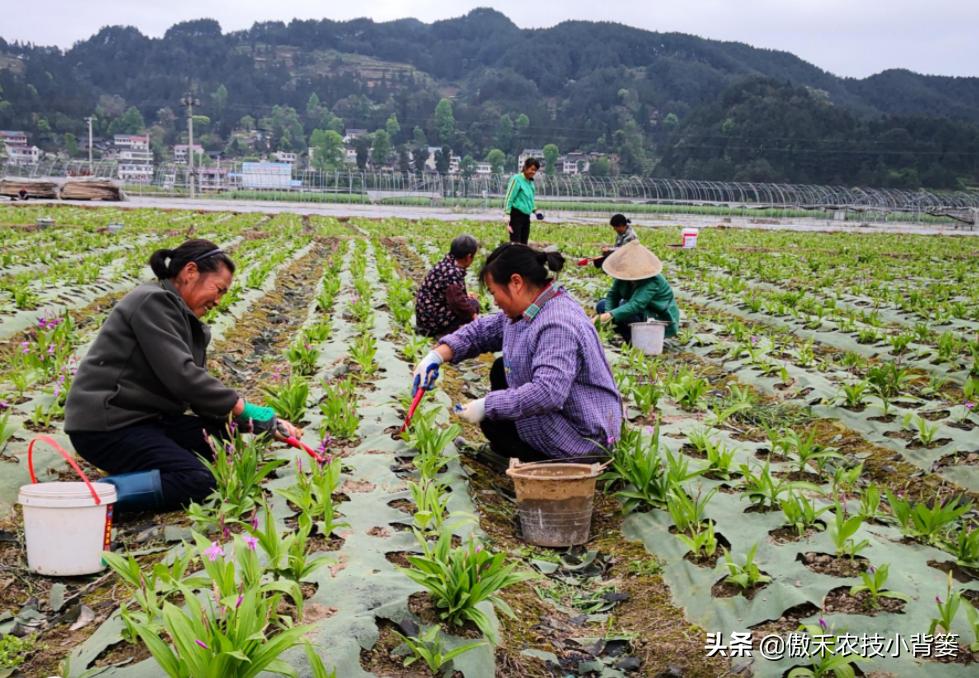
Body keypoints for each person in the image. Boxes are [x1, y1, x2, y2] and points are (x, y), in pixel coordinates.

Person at [64, 239, 302, 513]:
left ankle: (141, 477)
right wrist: (244, 407)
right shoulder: (152, 301)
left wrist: (257, 424)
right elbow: (184, 377)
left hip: (144, 419)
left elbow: (194, 393)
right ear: (190, 272)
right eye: (218, 289)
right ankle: (87, 502)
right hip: (107, 426)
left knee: (221, 442)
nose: (218, 301)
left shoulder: (176, 312)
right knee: (197, 480)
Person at [411, 243, 622, 463]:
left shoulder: (557, 324)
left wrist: (487, 406)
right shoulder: (531, 308)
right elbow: (483, 331)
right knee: (502, 371)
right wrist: (436, 356)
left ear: (516, 282)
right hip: (568, 416)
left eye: (494, 292)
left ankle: (541, 462)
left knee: (495, 415)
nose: (494, 301)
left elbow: (547, 392)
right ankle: (518, 452)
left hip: (584, 439)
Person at [594, 239, 681, 343]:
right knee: (602, 305)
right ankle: (626, 333)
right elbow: (613, 295)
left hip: (654, 317)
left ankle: (634, 341)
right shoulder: (623, 276)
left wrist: (608, 316)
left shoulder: (653, 281)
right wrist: (608, 314)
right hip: (635, 310)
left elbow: (635, 305)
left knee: (625, 312)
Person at [415, 234, 480, 338]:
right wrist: (475, 317)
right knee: (473, 305)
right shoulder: (453, 272)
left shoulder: (446, 263)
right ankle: (445, 333)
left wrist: (465, 296)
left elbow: (450, 293)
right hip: (432, 323)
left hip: (424, 319)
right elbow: (457, 302)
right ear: (468, 257)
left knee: (468, 302)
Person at [503, 158, 544, 244]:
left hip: (526, 217)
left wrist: (536, 211)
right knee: (516, 243)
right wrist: (507, 214)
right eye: (532, 169)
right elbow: (509, 197)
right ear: (525, 168)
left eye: (535, 170)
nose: (533, 172)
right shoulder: (517, 179)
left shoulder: (530, 183)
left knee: (524, 243)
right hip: (516, 216)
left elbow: (530, 200)